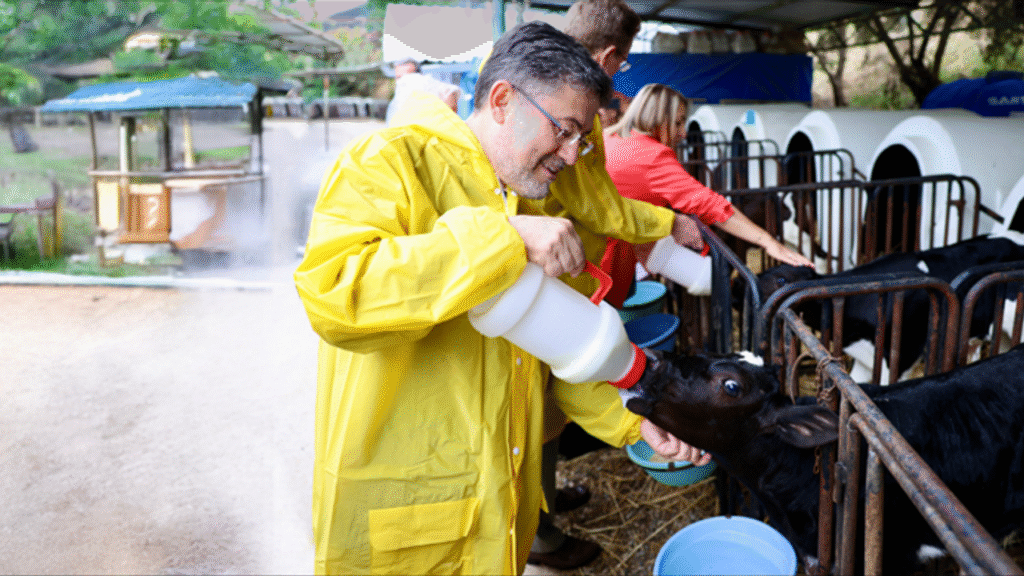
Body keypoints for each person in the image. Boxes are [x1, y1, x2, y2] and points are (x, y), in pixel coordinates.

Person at [295, 22, 702, 575]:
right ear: (504, 100)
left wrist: (633, 420)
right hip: (403, 521)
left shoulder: (536, 208)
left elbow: (564, 351)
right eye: (564, 131)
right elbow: (335, 294)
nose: (571, 155)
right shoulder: (390, 161)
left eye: (581, 140)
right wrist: (500, 240)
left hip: (500, 515)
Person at [601, 83, 815, 307]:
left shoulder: (611, 138)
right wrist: (768, 242)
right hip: (609, 262)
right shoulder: (652, 155)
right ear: (657, 118)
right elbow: (710, 204)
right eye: (677, 122)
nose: (683, 133)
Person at [384, 58, 461, 126]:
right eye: (398, 77)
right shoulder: (397, 99)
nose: (402, 81)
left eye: (408, 76)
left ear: (419, 75)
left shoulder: (430, 86)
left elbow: (451, 91)